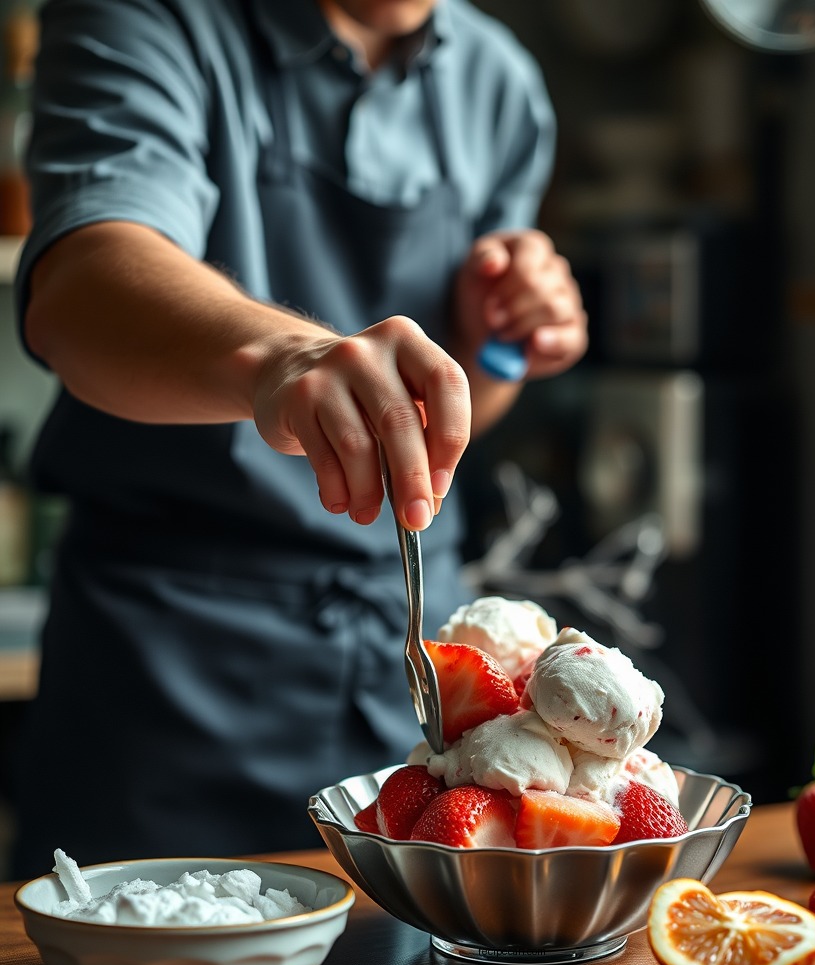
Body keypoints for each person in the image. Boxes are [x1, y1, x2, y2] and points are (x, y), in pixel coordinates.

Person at [6, 0, 587, 879]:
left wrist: (500, 342)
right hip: (173, 668)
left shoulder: (497, 80)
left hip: (414, 652)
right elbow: (82, 285)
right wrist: (287, 356)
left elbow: (444, 420)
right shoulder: (144, 17)